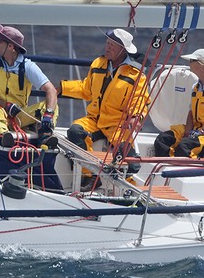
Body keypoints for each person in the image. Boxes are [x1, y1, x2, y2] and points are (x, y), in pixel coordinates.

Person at [58, 29, 150, 178]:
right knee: (75, 131)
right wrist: (62, 88)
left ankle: (125, 189)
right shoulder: (98, 64)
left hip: (117, 124)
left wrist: (136, 117)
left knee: (131, 164)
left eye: (112, 45)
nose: (107, 47)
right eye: (107, 43)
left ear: (123, 49)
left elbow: (140, 100)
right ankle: (87, 176)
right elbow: (86, 89)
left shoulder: (136, 74)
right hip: (94, 119)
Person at [0, 24, 58, 148]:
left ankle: (45, 136)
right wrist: (6, 105)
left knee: (51, 107)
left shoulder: (28, 66)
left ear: (11, 46)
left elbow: (51, 90)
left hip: (19, 116)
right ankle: (4, 135)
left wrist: (48, 114)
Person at [153, 48, 204, 158]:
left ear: (201, 64)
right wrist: (187, 132)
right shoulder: (195, 87)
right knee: (162, 140)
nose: (189, 64)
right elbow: (191, 112)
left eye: (192, 61)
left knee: (184, 147)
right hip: (195, 130)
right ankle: (165, 167)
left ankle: (185, 172)